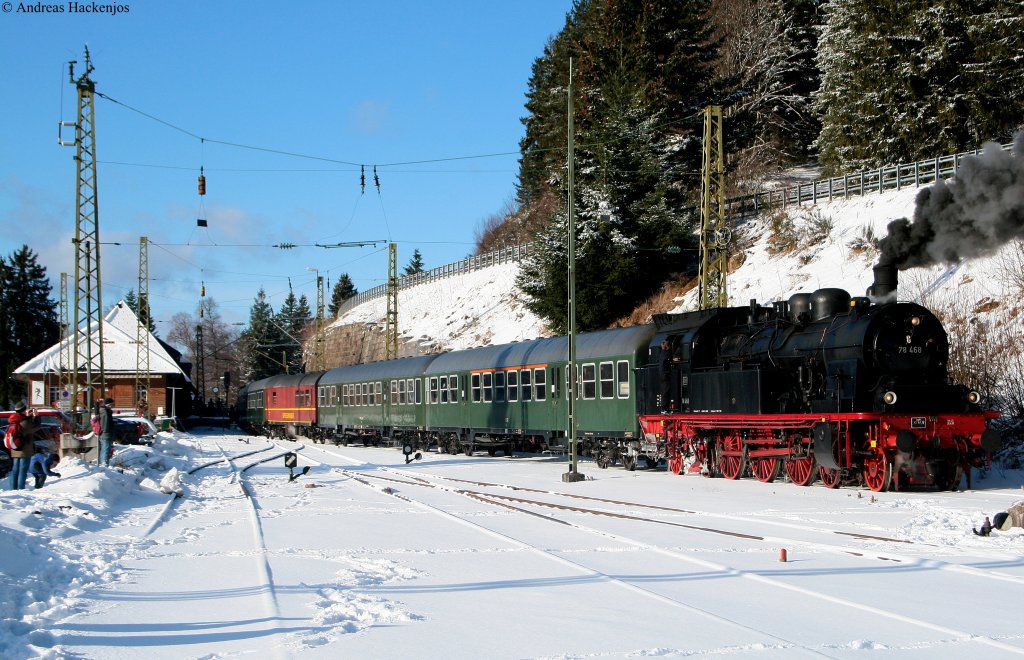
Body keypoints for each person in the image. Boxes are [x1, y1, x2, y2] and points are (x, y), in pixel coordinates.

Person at [6, 402, 40, 490]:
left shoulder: (13, 420)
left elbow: (25, 426)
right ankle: (20, 489)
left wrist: (28, 417)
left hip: (15, 448)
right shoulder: (24, 422)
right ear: (23, 410)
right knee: (23, 470)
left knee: (15, 470)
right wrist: (36, 416)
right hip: (24, 449)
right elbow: (36, 427)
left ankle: (13, 488)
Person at [98, 397, 115, 466]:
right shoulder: (105, 412)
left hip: (104, 434)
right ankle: (104, 464)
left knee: (104, 449)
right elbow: (105, 423)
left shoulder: (105, 411)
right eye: (112, 405)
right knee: (106, 450)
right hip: (106, 434)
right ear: (108, 405)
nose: (113, 406)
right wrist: (106, 431)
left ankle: (103, 463)